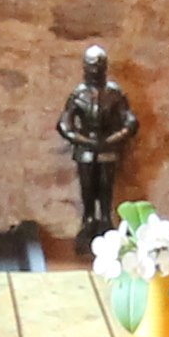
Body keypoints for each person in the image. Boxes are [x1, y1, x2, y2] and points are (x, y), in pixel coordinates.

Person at [56, 43, 138, 244]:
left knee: (105, 185)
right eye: (91, 67)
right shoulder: (79, 94)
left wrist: (113, 139)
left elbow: (130, 121)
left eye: (98, 68)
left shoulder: (114, 93)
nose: (94, 72)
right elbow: (64, 124)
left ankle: (105, 219)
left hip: (108, 148)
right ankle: (88, 220)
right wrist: (83, 140)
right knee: (87, 186)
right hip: (85, 149)